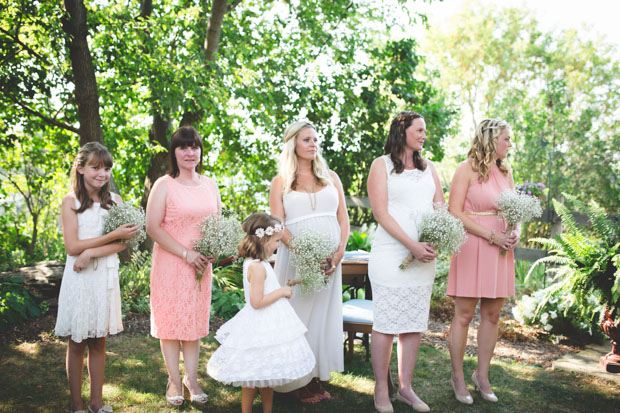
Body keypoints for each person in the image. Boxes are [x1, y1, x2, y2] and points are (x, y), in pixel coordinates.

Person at [367, 111, 445, 413]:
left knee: (413, 323)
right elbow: (381, 213)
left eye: (425, 131)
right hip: (390, 254)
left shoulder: (430, 168)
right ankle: (381, 389)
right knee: (386, 322)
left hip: (424, 257)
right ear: (402, 132)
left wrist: (435, 240)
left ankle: (406, 388)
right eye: (420, 130)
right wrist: (411, 244)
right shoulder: (381, 165)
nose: (424, 135)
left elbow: (439, 206)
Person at [269, 120, 349, 403]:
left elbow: (343, 218)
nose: (314, 144)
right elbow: (278, 225)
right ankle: (295, 381)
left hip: (330, 263)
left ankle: (313, 376)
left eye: (315, 139)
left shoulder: (331, 177)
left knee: (322, 318)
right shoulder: (280, 182)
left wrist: (338, 253)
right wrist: (306, 254)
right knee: (297, 317)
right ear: (293, 144)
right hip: (297, 262)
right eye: (307, 140)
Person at [55, 142, 139, 413]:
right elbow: (72, 246)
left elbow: (122, 245)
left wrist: (91, 253)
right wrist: (96, 245)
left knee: (99, 341)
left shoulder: (115, 201)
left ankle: (96, 403)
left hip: (103, 275)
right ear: (80, 168)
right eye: (95, 167)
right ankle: (77, 405)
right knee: (78, 341)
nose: (102, 174)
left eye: (106, 168)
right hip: (79, 278)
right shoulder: (71, 202)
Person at [207, 212, 315, 413]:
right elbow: (257, 302)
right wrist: (281, 291)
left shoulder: (261, 263)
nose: (278, 245)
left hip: (270, 323)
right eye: (275, 241)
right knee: (251, 377)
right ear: (263, 240)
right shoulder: (256, 267)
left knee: (267, 375)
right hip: (259, 325)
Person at [146, 126, 220, 406]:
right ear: (174, 152)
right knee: (171, 325)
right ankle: (174, 380)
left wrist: (211, 250)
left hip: (200, 267)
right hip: (171, 263)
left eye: (194, 147)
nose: (190, 153)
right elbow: (152, 227)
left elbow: (216, 224)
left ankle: (192, 378)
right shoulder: (164, 184)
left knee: (193, 324)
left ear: (201, 151)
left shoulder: (210, 184)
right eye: (183, 147)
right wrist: (186, 253)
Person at [446, 118, 518, 405]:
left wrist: (514, 233)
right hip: (472, 245)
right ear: (491, 139)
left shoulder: (506, 170)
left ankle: (482, 375)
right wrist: (491, 235)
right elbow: (455, 212)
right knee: (463, 315)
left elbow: (513, 210)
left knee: (492, 315)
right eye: (507, 139)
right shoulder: (465, 170)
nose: (510, 144)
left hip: (501, 250)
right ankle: (457, 377)